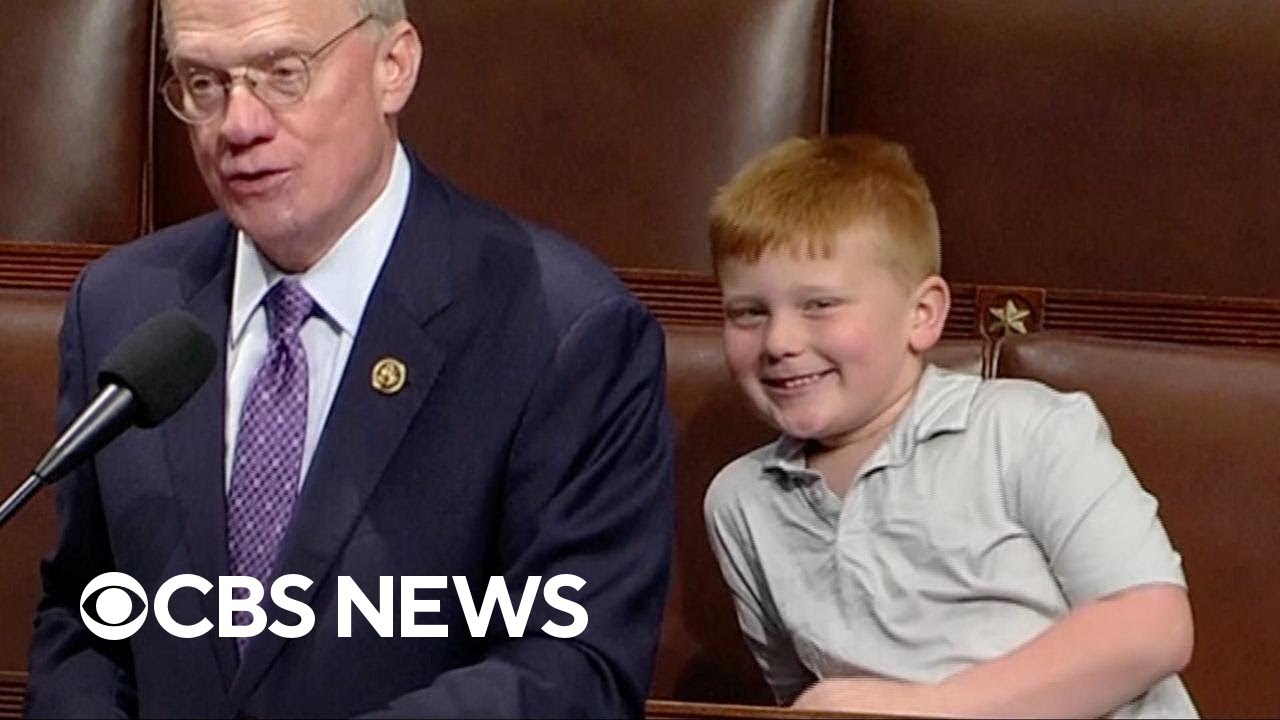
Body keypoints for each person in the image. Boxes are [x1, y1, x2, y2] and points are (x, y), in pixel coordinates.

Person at [25, 0, 673, 717]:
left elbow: (573, 667)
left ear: (393, 67)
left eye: (283, 73)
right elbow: (86, 619)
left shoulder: (561, 330)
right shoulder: (123, 308)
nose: (239, 125)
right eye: (204, 83)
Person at [702, 134, 1196, 717]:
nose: (780, 342)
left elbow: (1151, 626)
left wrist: (935, 707)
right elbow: (809, 696)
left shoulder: (1025, 430)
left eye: (820, 306)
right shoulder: (741, 502)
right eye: (748, 313)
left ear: (922, 314)